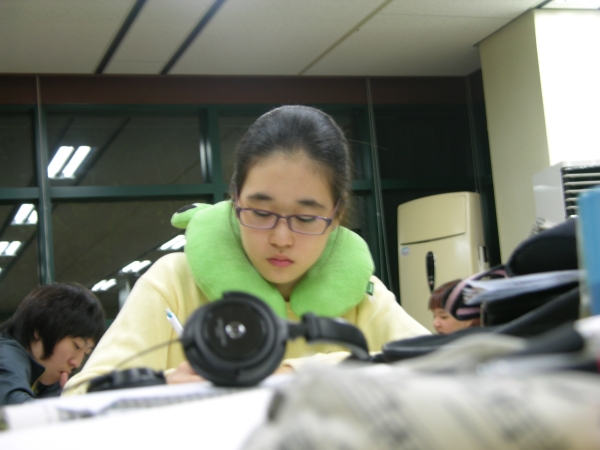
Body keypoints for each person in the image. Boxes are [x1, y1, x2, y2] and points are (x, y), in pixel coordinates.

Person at [64, 105, 430, 394]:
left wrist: (290, 373)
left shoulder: (361, 294)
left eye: (306, 218)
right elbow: (81, 397)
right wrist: (165, 385)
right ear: (235, 199)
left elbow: (441, 365)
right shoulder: (175, 280)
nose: (281, 238)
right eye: (260, 212)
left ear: (336, 216)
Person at [0, 282, 105, 405]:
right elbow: (15, 409)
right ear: (41, 329)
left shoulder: (42, 373)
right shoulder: (6, 353)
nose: (77, 363)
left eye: (86, 353)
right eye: (77, 346)